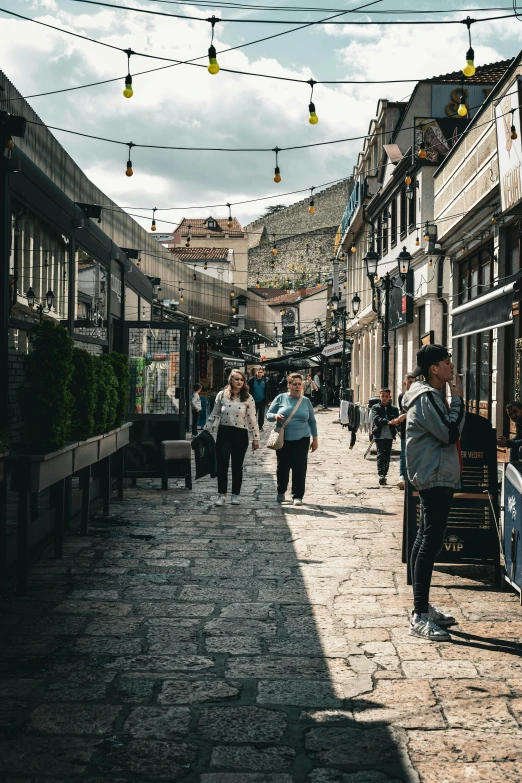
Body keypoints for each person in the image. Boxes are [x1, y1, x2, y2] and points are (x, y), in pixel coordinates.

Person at [403, 344, 465, 642]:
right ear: (433, 369)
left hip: (436, 472)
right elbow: (449, 433)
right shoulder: (427, 397)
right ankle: (419, 615)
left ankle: (421, 606)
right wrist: (460, 401)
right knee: (431, 540)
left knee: (424, 537)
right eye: (446, 361)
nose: (451, 365)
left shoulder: (430, 395)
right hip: (434, 474)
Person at [205, 368, 259, 506]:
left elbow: (252, 418)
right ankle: (221, 494)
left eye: (241, 379)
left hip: (240, 433)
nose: (239, 381)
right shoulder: (222, 395)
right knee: (222, 464)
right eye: (236, 379)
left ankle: (235, 494)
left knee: (237, 465)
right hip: (224, 432)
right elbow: (214, 413)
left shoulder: (248, 398)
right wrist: (206, 430)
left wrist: (255, 438)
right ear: (231, 380)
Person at [267, 372, 318, 506]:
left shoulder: (306, 401)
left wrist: (315, 439)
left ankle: (297, 495)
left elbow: (312, 421)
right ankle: (281, 491)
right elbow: (268, 414)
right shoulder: (280, 398)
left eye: (299, 384)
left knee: (300, 467)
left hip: (302, 439)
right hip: (283, 438)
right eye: (294, 384)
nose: (297, 387)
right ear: (288, 385)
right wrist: (276, 416)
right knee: (282, 466)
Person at [371, 388, 400, 486]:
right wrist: (388, 422)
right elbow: (376, 419)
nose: (384, 398)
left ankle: (385, 474)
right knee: (380, 454)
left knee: (387, 455)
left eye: (386, 396)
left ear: (390, 397)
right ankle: (381, 475)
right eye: (382, 396)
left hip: (389, 435)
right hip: (379, 435)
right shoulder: (375, 407)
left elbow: (397, 420)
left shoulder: (394, 409)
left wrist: (396, 423)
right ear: (379, 396)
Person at [396, 373, 416, 489]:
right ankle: (402, 477)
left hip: (416, 429)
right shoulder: (401, 396)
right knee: (403, 454)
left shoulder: (419, 396)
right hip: (405, 428)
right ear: (405, 383)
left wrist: (406, 415)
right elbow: (401, 411)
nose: (411, 385)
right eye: (409, 382)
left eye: (413, 382)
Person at [248, 367, 269, 431]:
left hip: (262, 400)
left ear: (263, 373)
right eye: (258, 372)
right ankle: (252, 425)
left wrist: (268, 400)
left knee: (261, 414)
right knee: (253, 414)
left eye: (261, 372)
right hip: (253, 400)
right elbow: (248, 389)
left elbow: (268, 391)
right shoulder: (252, 380)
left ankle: (260, 426)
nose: (259, 373)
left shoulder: (265, 380)